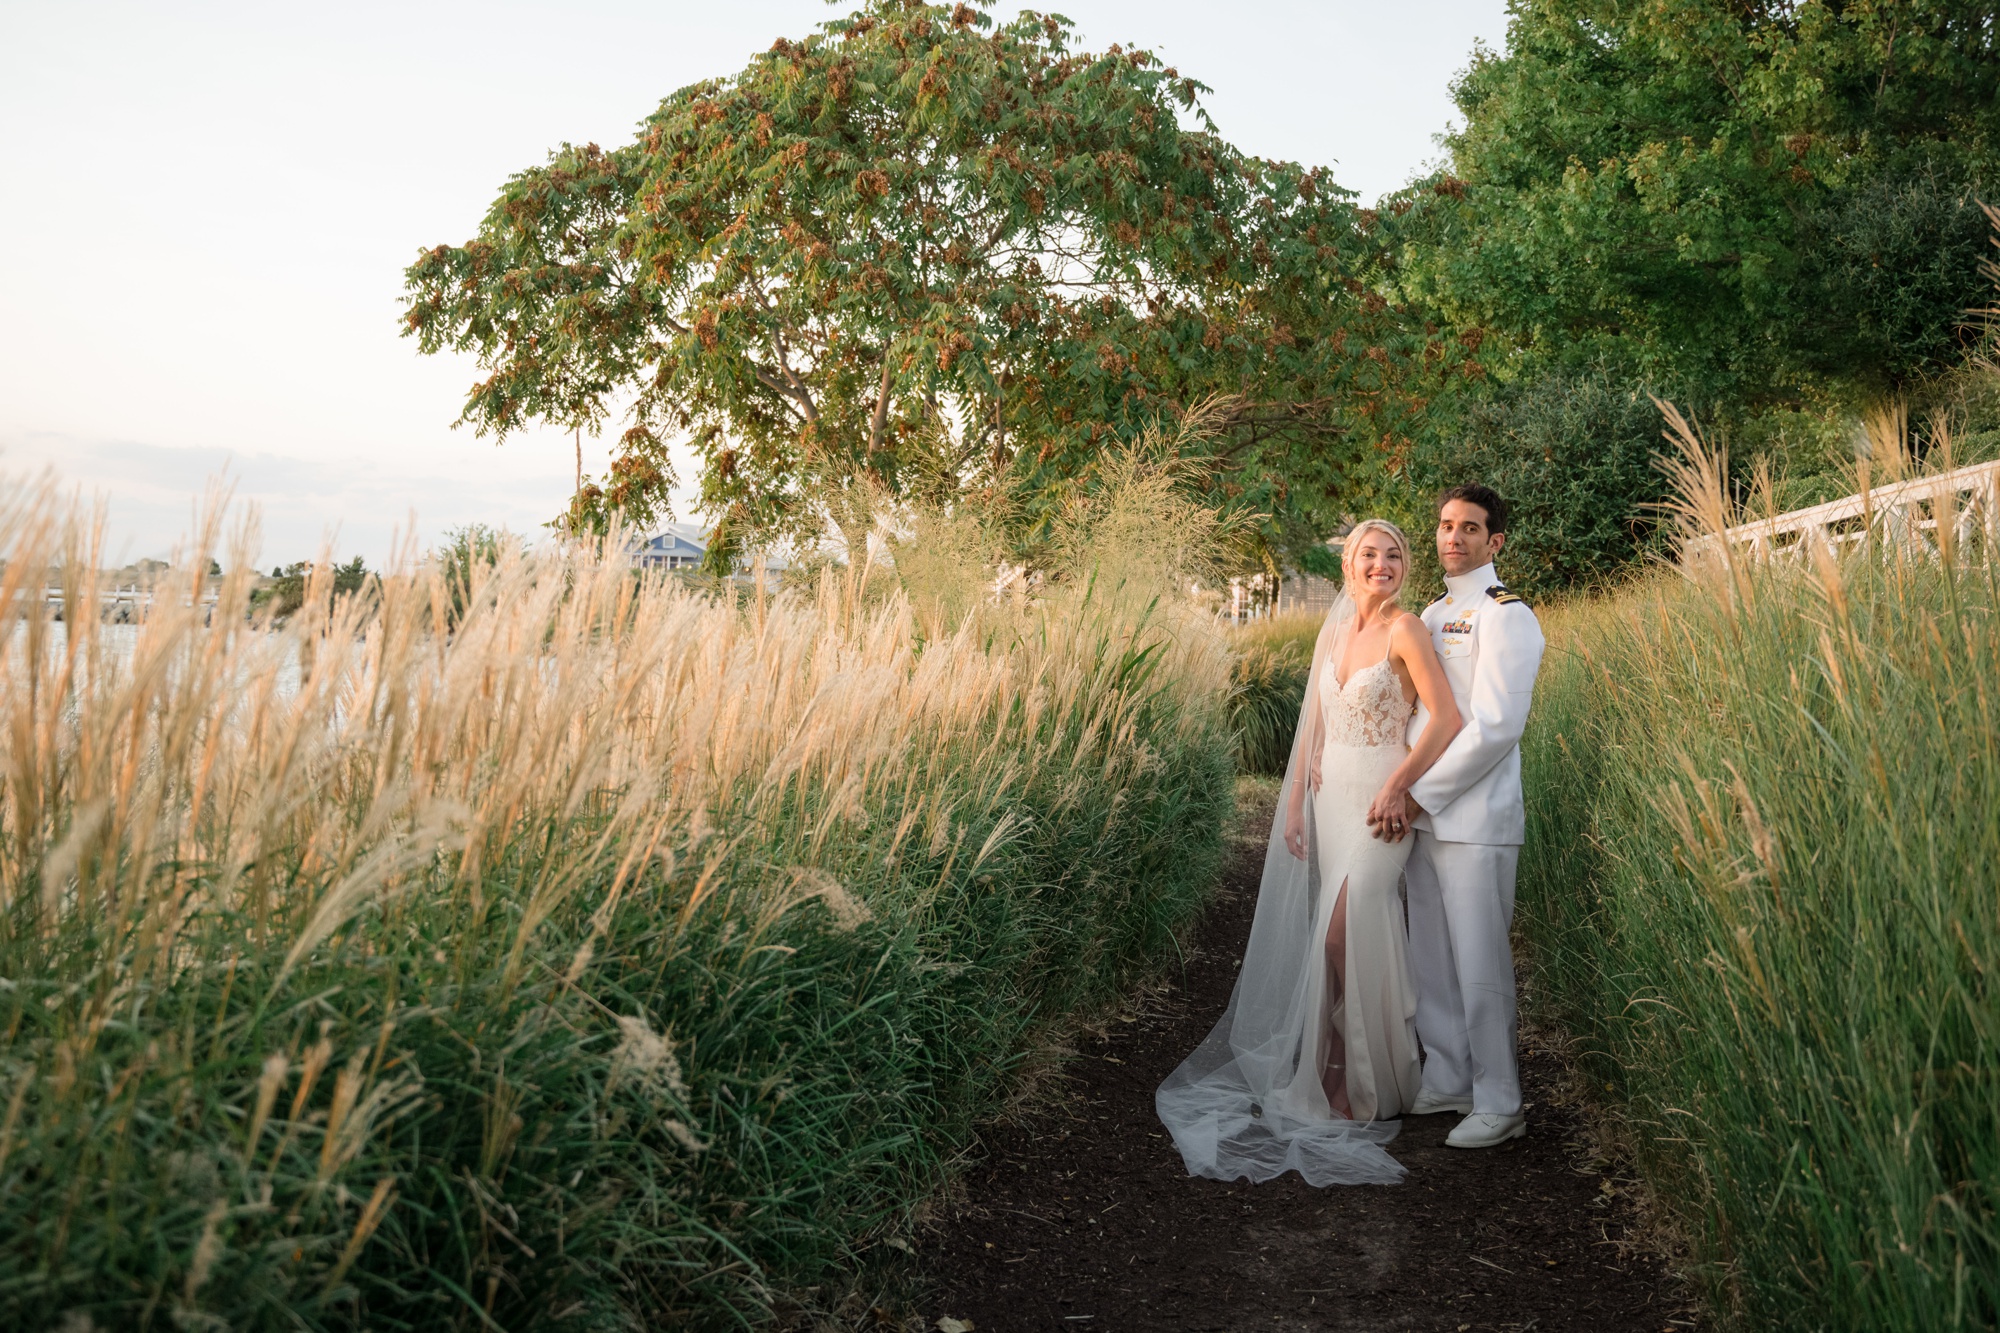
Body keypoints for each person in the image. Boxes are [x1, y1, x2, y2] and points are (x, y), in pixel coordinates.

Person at [1156, 520, 1462, 1185]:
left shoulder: (1407, 629)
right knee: (1337, 936)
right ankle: (1330, 1073)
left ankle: (1365, 1077)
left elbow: (1445, 719)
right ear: (1347, 565)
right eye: (1368, 554)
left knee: (1344, 931)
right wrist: (1293, 803)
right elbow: (1315, 728)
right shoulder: (1337, 630)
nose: (1382, 564)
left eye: (1393, 555)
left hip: (1383, 801)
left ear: (1405, 566)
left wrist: (1399, 788)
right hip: (1331, 801)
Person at [1372, 484, 1546, 1150]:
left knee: (1480, 962)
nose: (1453, 538)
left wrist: (1418, 791)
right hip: (1424, 817)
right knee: (1433, 958)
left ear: (1493, 541)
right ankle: (1448, 1076)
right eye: (1445, 526)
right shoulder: (1433, 608)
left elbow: (1496, 726)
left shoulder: (1507, 615)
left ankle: (1501, 1100)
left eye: (1469, 528)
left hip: (1474, 816)